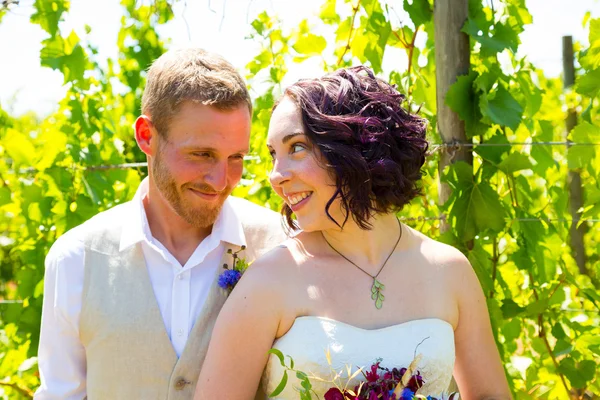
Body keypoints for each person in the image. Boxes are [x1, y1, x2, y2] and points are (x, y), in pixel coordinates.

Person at [194, 66, 512, 399]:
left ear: (356, 147)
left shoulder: (449, 270)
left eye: (297, 148)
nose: (276, 176)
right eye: (274, 154)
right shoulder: (268, 281)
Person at [35, 48, 287, 399]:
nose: (220, 179)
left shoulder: (282, 246)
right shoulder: (77, 259)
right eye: (201, 154)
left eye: (236, 158)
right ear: (146, 136)